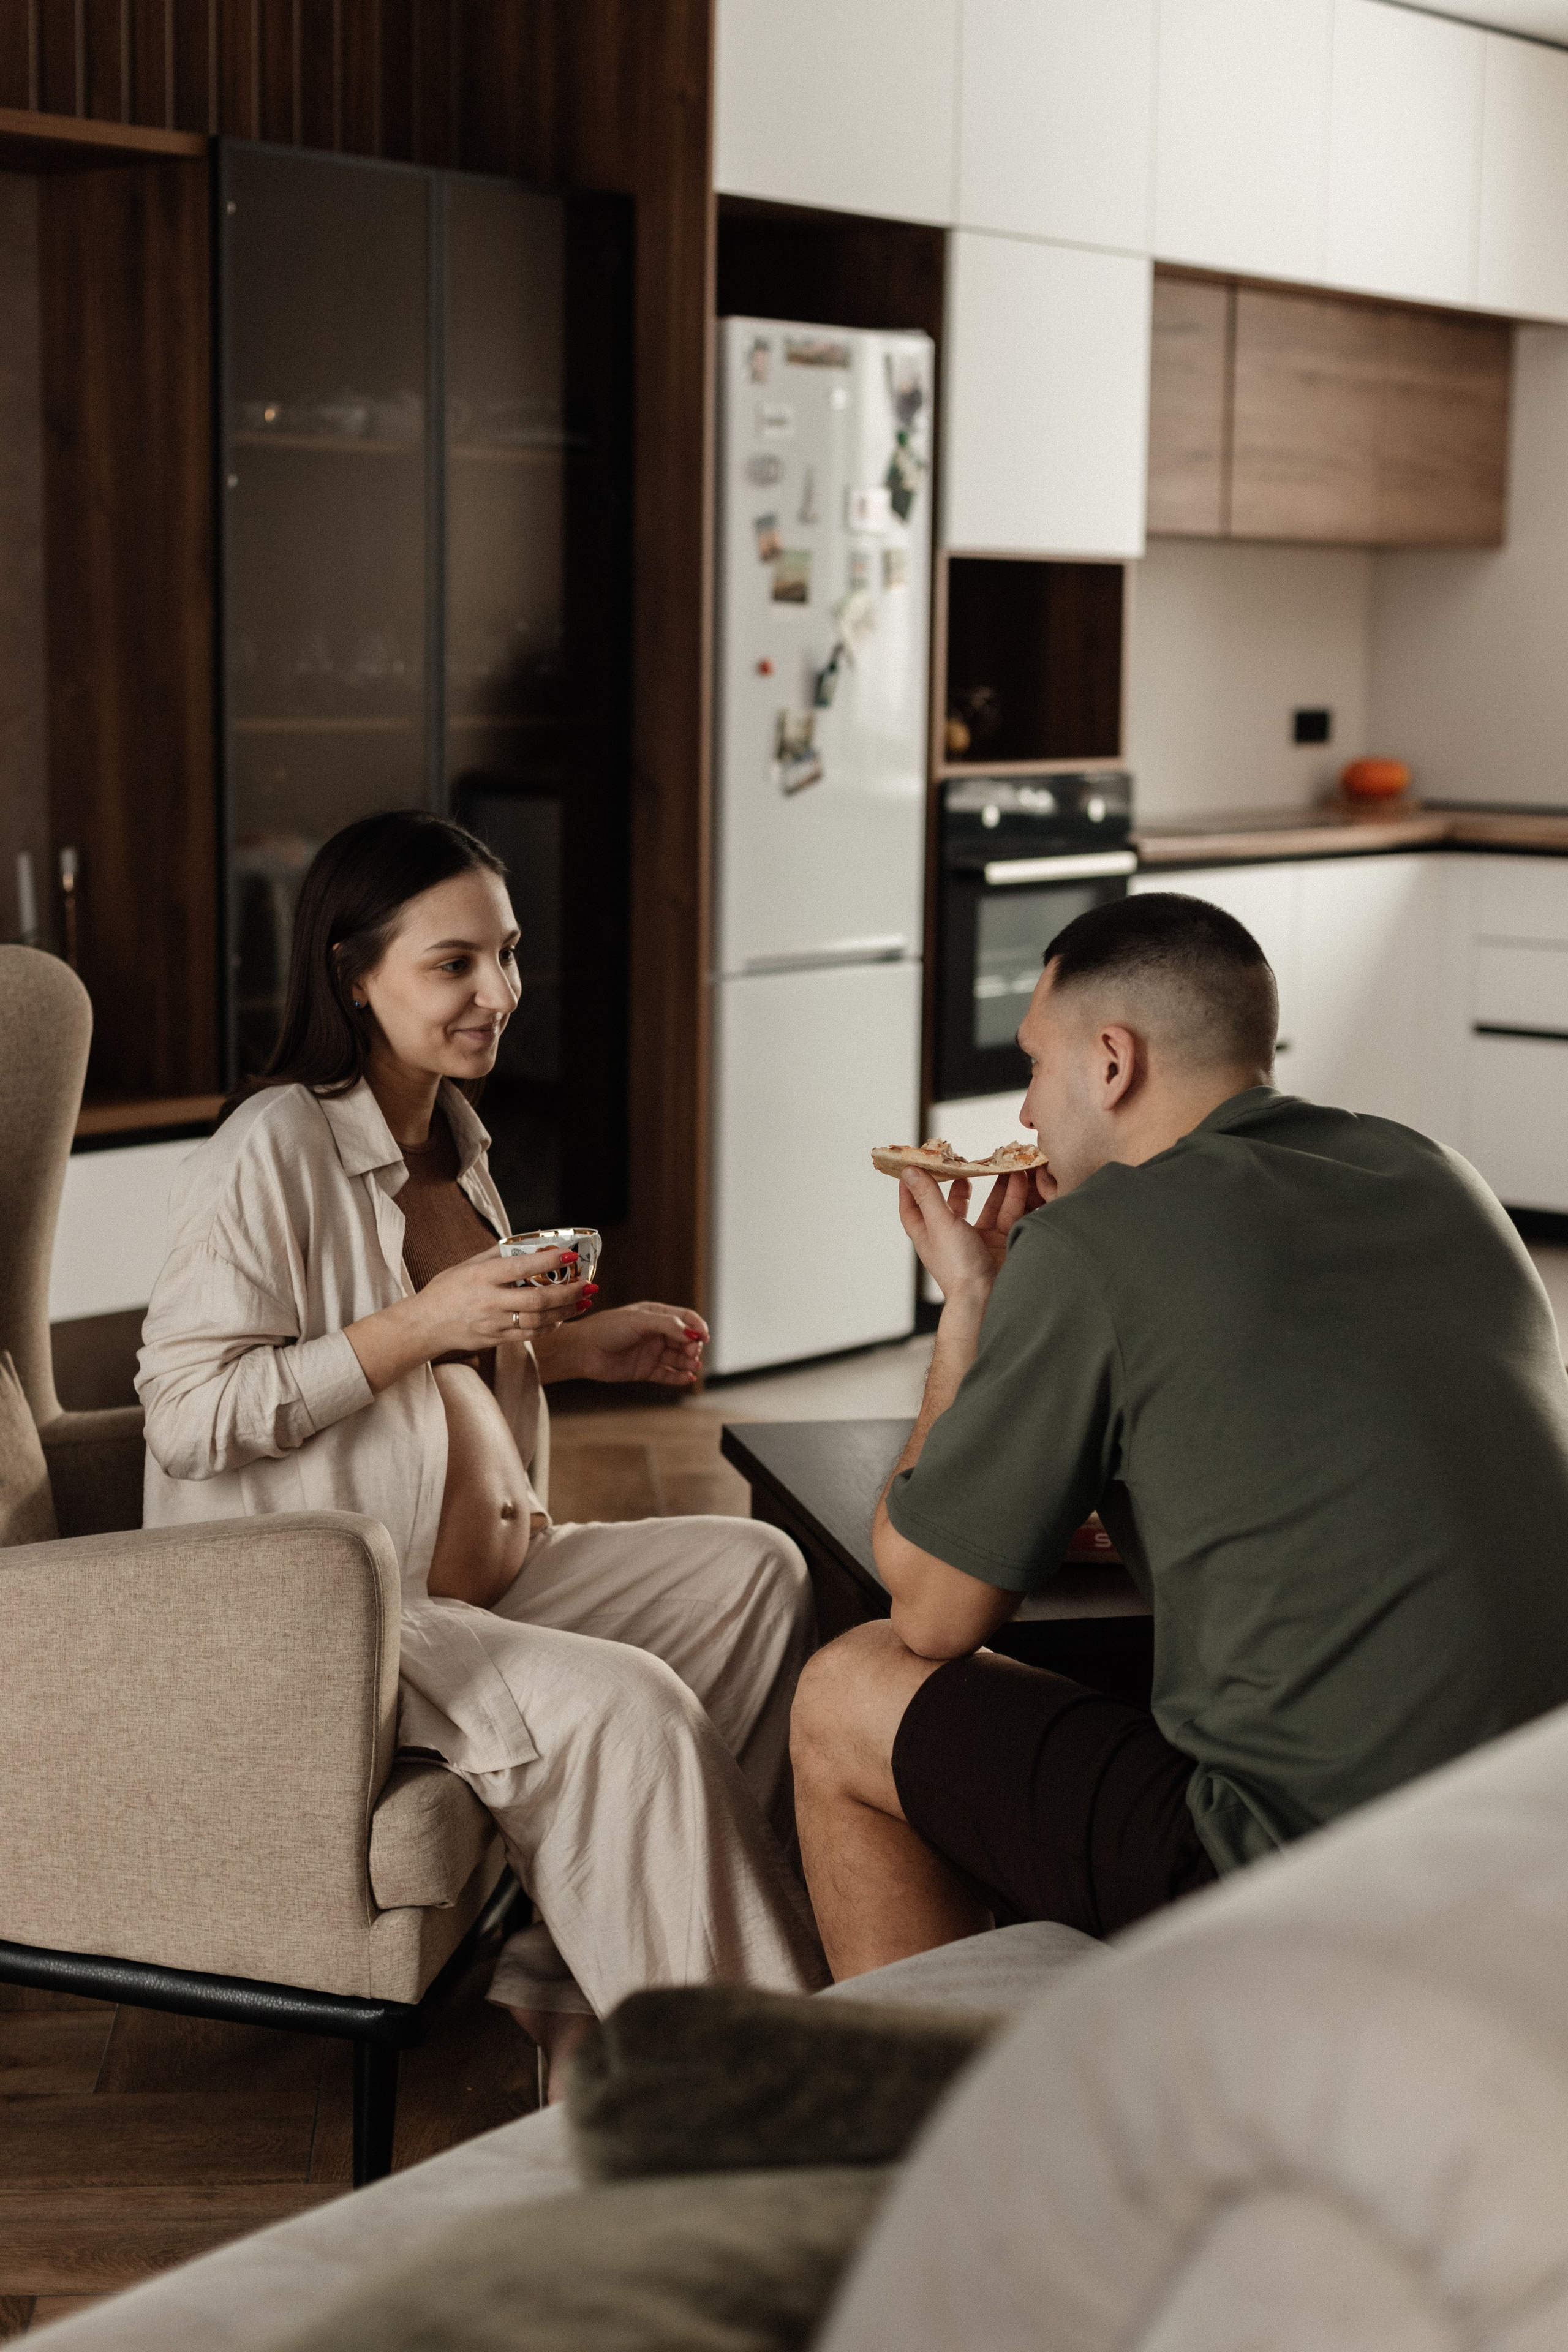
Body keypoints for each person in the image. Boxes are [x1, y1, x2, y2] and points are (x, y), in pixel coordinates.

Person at [138, 811, 825, 2089]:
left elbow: (428, 1373)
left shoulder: (451, 1139)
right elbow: (187, 1416)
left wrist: (575, 1349)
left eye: (505, 954)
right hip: (355, 1616)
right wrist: (425, 1321)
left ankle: (563, 1979)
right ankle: (749, 2089)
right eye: (453, 964)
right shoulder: (273, 1147)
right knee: (630, 1709)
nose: (499, 993)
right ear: (354, 974)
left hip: (488, 1578)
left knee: (760, 1572)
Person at [791, 891, 1568, 1978]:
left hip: (1317, 1882)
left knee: (847, 1690)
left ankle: (926, 2088)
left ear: (1112, 1062)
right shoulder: (1440, 1176)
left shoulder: (1094, 1239)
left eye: (1034, 1065)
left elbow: (933, 1610)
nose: (1027, 1113)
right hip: (1533, 1839)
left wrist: (971, 1301)